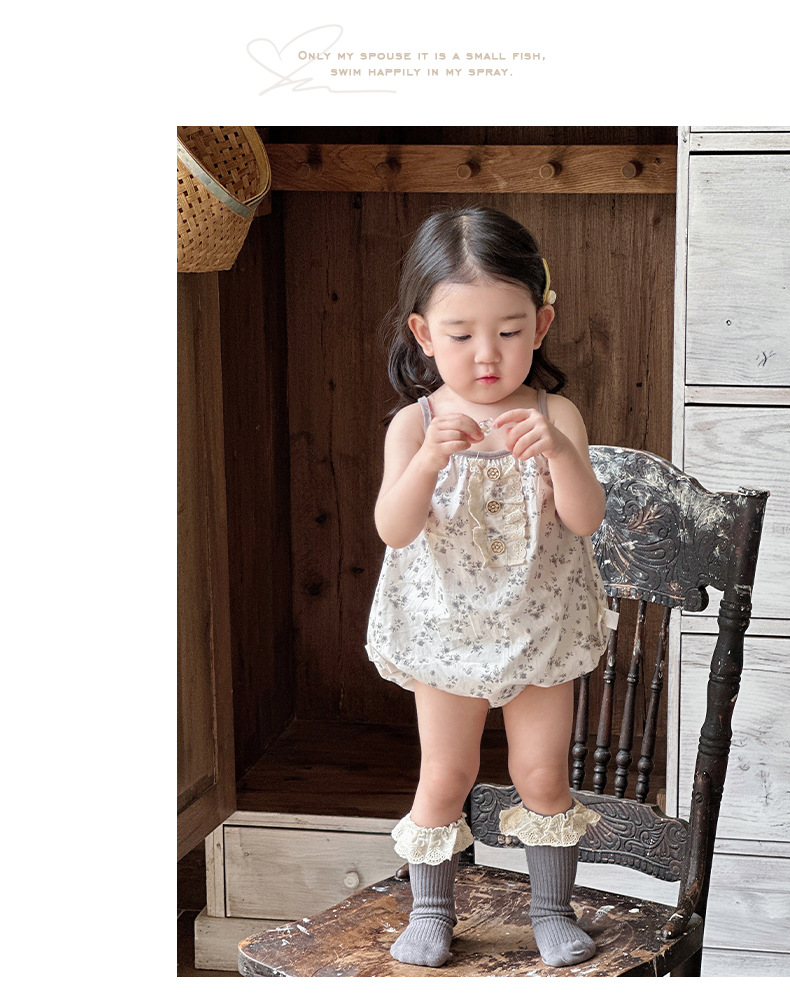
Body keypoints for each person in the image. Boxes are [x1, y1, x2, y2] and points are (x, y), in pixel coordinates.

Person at [365, 206, 618, 969]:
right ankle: (432, 911)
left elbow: (585, 519)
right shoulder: (416, 424)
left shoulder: (553, 412)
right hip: (446, 632)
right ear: (422, 334)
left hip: (539, 627)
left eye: (508, 332)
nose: (486, 355)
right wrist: (427, 462)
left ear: (540, 325)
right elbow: (393, 528)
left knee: (542, 774)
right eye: (461, 334)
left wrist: (561, 455)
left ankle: (551, 911)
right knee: (446, 775)